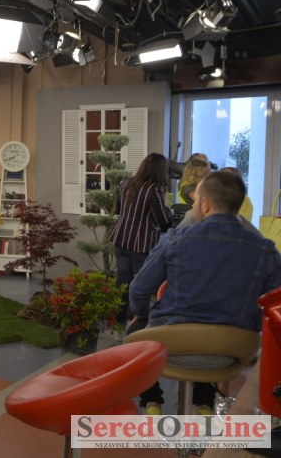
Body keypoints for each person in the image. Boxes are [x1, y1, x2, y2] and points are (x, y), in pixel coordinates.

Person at [129, 171, 281, 415]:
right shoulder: (265, 249)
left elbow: (139, 289)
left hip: (172, 346)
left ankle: (152, 401)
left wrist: (142, 316)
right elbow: (275, 302)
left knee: (136, 328)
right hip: (233, 352)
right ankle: (204, 405)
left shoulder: (175, 239)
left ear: (205, 204)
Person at [108, 153, 173, 322]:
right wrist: (168, 208)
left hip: (121, 238)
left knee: (123, 281)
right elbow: (163, 220)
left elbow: (121, 209)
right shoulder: (155, 190)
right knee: (140, 284)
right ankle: (138, 320)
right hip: (141, 244)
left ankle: (119, 318)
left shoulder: (126, 184)